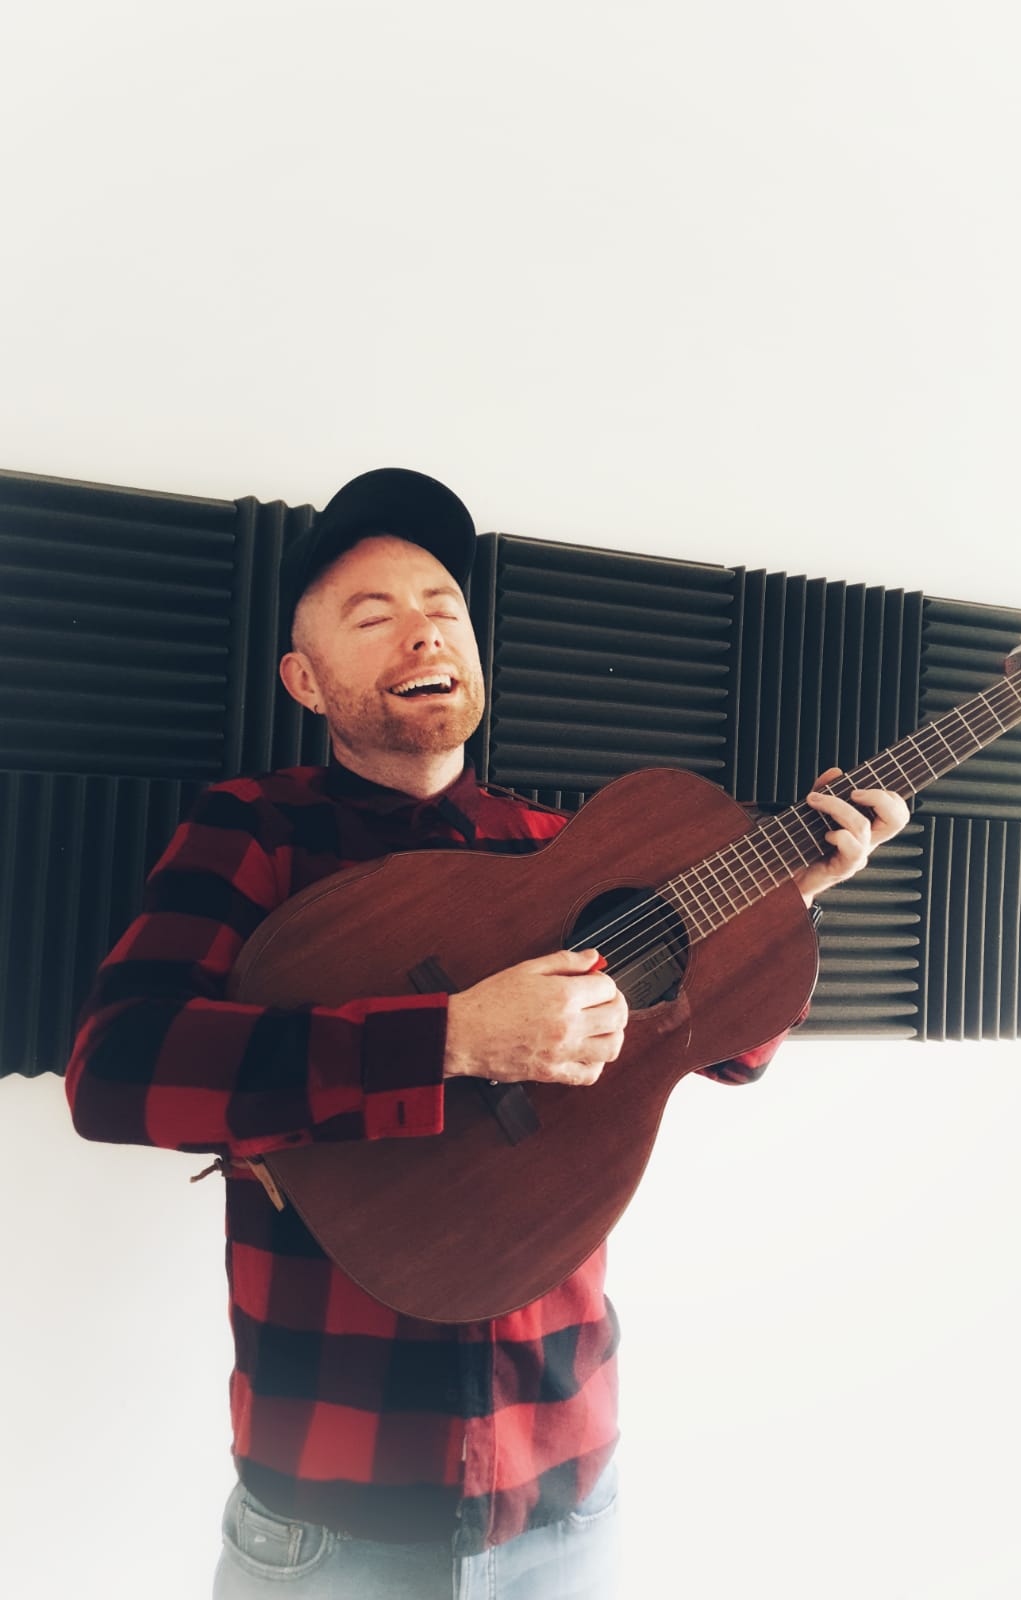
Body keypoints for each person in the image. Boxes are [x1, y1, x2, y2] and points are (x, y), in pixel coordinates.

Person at [64, 468, 910, 1599]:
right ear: (304, 679)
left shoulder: (567, 845)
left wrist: (787, 900)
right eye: (374, 616)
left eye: (443, 606)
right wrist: (453, 1036)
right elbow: (119, 1075)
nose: (424, 630)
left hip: (565, 1490)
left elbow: (721, 1046)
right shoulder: (254, 835)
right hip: (330, 1513)